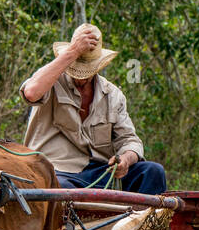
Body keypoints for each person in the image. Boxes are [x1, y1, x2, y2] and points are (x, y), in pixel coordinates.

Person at [19, 23, 167, 195]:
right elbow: (30, 93)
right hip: (55, 170)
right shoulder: (50, 82)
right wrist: (74, 51)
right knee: (62, 190)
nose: (80, 76)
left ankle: (138, 221)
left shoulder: (112, 95)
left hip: (100, 173)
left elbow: (129, 140)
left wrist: (125, 160)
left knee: (153, 171)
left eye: (86, 70)